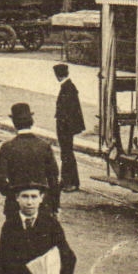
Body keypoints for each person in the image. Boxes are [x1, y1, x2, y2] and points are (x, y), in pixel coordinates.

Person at [0, 103, 60, 219]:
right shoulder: (44, 146)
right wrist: (54, 206)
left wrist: (13, 195)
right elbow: (53, 179)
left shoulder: (8, 147)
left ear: (14, 123)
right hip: (41, 205)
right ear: (31, 121)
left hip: (15, 206)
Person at [53, 64, 85, 193]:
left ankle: (70, 182)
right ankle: (67, 181)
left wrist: (64, 127)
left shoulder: (67, 88)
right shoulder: (69, 86)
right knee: (66, 154)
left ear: (58, 75)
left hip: (65, 128)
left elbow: (67, 111)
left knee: (67, 154)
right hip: (66, 127)